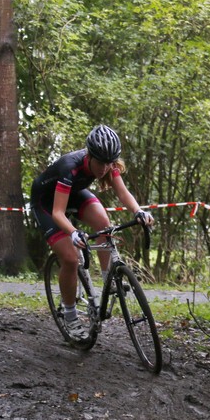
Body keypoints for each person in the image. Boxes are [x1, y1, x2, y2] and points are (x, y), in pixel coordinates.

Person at [29, 125, 153, 340]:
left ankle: (108, 280)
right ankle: (70, 317)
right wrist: (73, 232)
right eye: (101, 162)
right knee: (70, 259)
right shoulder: (70, 167)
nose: (104, 168)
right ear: (90, 156)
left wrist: (138, 211)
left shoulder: (109, 163)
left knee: (105, 224)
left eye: (109, 162)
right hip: (47, 203)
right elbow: (58, 213)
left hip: (73, 193)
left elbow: (123, 193)